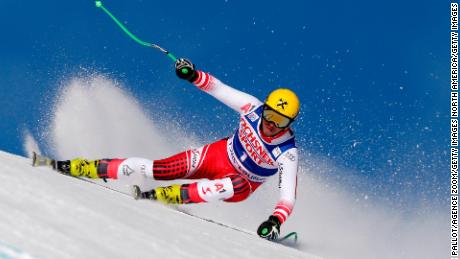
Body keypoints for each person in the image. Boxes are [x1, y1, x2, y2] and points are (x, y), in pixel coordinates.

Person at [53, 59, 300, 240]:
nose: (270, 124)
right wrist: (192, 75)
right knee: (158, 169)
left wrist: (274, 220)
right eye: (269, 114)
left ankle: (167, 196)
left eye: (279, 121)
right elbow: (219, 89)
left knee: (232, 184)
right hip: (215, 156)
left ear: (289, 124)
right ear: (264, 107)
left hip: (241, 183)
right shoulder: (251, 108)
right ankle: (87, 167)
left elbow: (287, 196)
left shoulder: (287, 152)